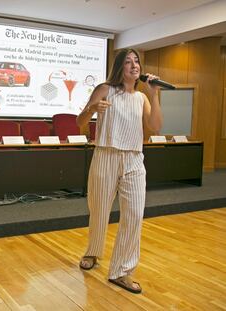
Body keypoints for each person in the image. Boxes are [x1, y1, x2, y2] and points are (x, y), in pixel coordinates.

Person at [76, 48, 163, 294]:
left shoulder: (142, 98)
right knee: (99, 209)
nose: (134, 65)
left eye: (136, 61)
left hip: (134, 159)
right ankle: (93, 251)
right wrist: (92, 110)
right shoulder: (105, 89)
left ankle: (121, 271)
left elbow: (155, 127)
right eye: (128, 61)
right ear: (119, 67)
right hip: (106, 154)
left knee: (134, 214)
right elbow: (79, 122)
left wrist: (154, 94)